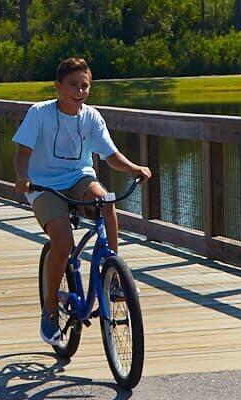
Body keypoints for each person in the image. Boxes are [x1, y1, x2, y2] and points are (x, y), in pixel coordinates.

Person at [12, 56, 150, 347]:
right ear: (58, 87)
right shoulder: (39, 114)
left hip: (79, 179)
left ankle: (113, 272)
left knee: (107, 202)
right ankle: (50, 309)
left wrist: (135, 168)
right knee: (62, 242)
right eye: (73, 85)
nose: (80, 91)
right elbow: (22, 153)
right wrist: (22, 177)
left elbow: (110, 156)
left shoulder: (91, 116)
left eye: (85, 86)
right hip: (43, 185)